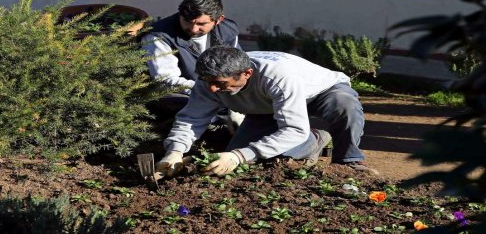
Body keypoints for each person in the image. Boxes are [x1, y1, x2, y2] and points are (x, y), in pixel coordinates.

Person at [155, 46, 379, 179]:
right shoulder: (209, 83)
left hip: (319, 92)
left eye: (219, 83)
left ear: (247, 73)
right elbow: (191, 119)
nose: (212, 89)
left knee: (344, 105)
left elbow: (293, 129)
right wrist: (174, 151)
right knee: (245, 159)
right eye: (207, 82)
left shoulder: (278, 77)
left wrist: (239, 156)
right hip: (265, 106)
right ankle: (311, 141)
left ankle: (347, 160)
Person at [141, 0, 243, 129]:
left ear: (218, 20)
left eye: (201, 24)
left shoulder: (227, 31)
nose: (194, 29)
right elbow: (165, 81)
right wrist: (209, 91)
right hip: (177, 94)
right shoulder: (159, 36)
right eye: (187, 21)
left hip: (220, 91)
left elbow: (239, 70)